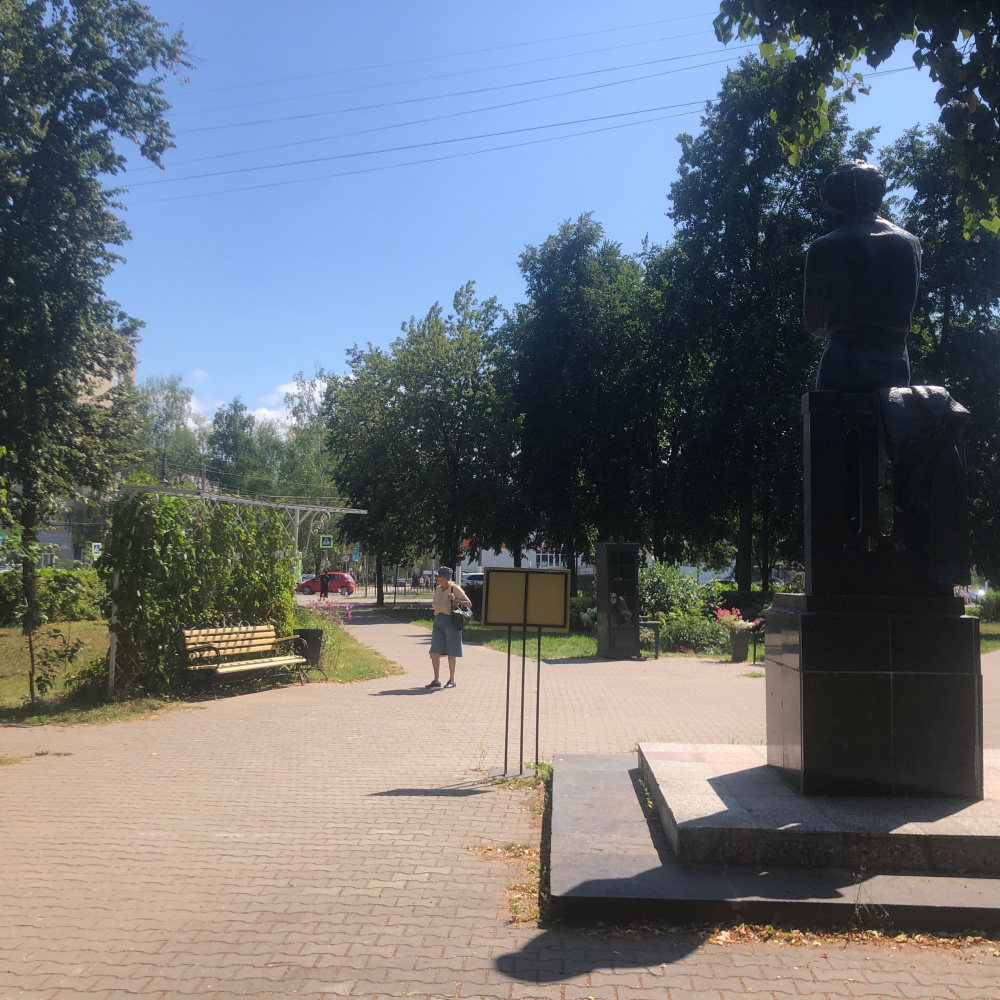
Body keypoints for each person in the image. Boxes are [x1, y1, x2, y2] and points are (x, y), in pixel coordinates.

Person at [804, 159, 921, 393]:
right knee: (891, 415)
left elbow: (813, 323)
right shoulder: (908, 243)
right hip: (893, 361)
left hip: (843, 361)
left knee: (832, 416)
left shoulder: (824, 247)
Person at [426, 566, 471, 690]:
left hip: (451, 621)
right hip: (438, 620)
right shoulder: (438, 589)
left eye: (440, 577)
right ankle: (436, 680)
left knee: (452, 651)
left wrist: (455, 599)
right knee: (434, 651)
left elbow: (468, 603)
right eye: (437, 577)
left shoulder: (454, 588)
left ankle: (452, 680)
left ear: (446, 578)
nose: (438, 579)